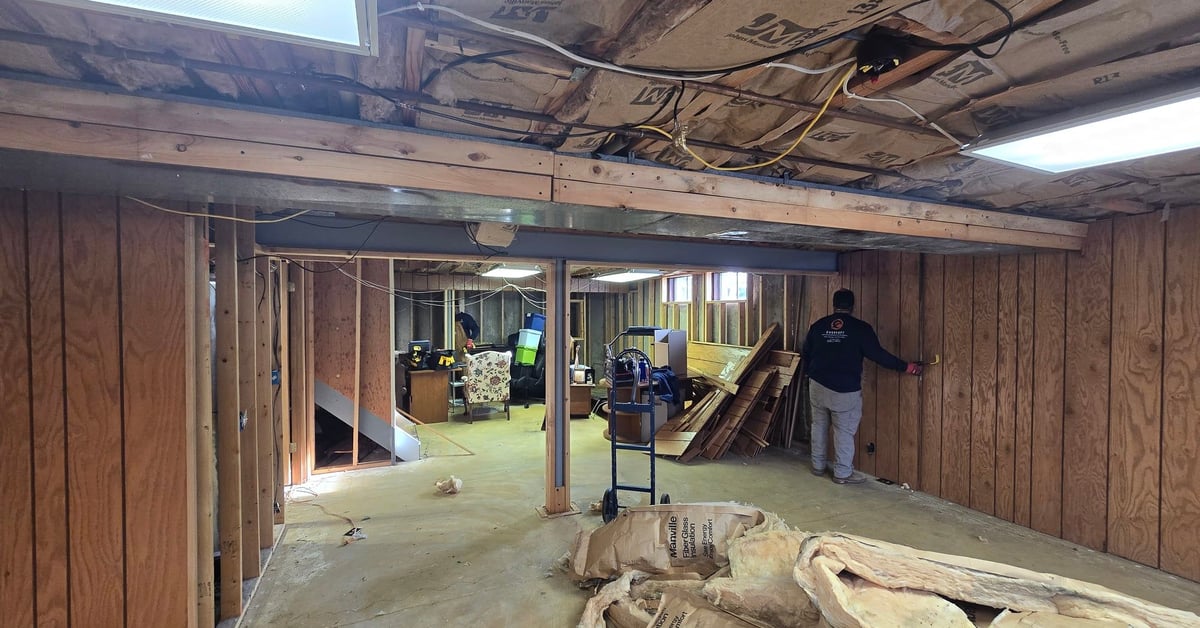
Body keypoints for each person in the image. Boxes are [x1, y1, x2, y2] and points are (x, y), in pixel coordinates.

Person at [801, 289, 923, 484]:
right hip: (844, 389)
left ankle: (817, 466)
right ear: (852, 305)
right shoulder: (860, 329)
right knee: (844, 431)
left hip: (817, 385)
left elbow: (805, 353)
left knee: (819, 425)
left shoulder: (818, 326)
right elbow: (878, 355)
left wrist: (809, 374)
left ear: (834, 304)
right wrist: (906, 367)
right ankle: (842, 474)